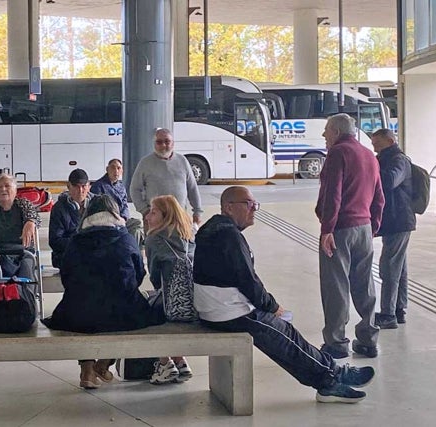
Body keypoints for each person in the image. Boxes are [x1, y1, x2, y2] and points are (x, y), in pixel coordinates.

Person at [195, 186, 376, 403]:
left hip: (221, 307)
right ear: (229, 207)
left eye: (255, 204)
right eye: (248, 204)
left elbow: (242, 279)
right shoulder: (228, 236)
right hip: (227, 312)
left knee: (285, 331)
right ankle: (330, 381)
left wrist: (269, 308)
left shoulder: (217, 229)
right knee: (280, 337)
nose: (254, 209)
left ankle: (332, 372)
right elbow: (248, 282)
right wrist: (272, 307)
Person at [43, 195, 162, 389]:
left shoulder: (75, 241)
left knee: (84, 307)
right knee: (127, 310)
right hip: (121, 313)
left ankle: (87, 370)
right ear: (115, 213)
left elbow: (67, 277)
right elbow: (139, 275)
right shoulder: (126, 239)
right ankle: (104, 362)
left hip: (78, 315)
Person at [316, 113, 384, 359]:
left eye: (326, 131)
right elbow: (379, 196)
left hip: (340, 228)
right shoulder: (369, 155)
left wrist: (327, 229)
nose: (324, 136)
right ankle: (368, 340)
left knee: (336, 285)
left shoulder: (338, 153)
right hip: (364, 227)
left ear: (336, 131)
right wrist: (372, 226)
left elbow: (333, 193)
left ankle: (336, 342)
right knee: (364, 283)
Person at [144, 195, 195, 385]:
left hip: (172, 307)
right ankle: (180, 360)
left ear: (166, 217)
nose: (148, 217)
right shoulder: (189, 236)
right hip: (197, 306)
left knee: (145, 308)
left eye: (154, 212)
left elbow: (156, 280)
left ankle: (164, 362)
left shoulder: (154, 239)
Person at [370, 128, 415, 328]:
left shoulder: (399, 160)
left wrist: (372, 169)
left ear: (389, 141)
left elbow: (389, 181)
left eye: (377, 144)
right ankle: (398, 309)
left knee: (389, 267)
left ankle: (388, 314)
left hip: (400, 221)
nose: (374, 148)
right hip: (395, 220)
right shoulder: (384, 158)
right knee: (399, 267)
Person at [129, 128, 203, 230]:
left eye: (167, 141)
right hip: (155, 219)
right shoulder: (145, 163)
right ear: (154, 144)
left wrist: (197, 212)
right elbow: (134, 189)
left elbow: (192, 188)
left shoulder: (182, 161)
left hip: (180, 217)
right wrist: (145, 211)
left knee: (182, 244)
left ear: (173, 143)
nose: (163, 145)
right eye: (159, 142)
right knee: (155, 245)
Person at [49, 168, 95, 269]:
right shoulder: (59, 208)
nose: (80, 191)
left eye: (83, 186)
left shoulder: (97, 204)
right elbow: (55, 241)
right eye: (76, 186)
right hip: (68, 254)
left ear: (89, 187)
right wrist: (81, 243)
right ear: (69, 186)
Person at [90, 158, 144, 246]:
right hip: (106, 221)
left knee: (137, 224)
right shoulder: (98, 186)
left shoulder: (121, 186)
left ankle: (132, 250)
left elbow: (125, 205)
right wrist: (114, 218)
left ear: (122, 171)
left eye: (119, 168)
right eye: (113, 168)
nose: (116, 171)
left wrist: (124, 218)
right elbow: (96, 208)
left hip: (121, 219)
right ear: (107, 169)